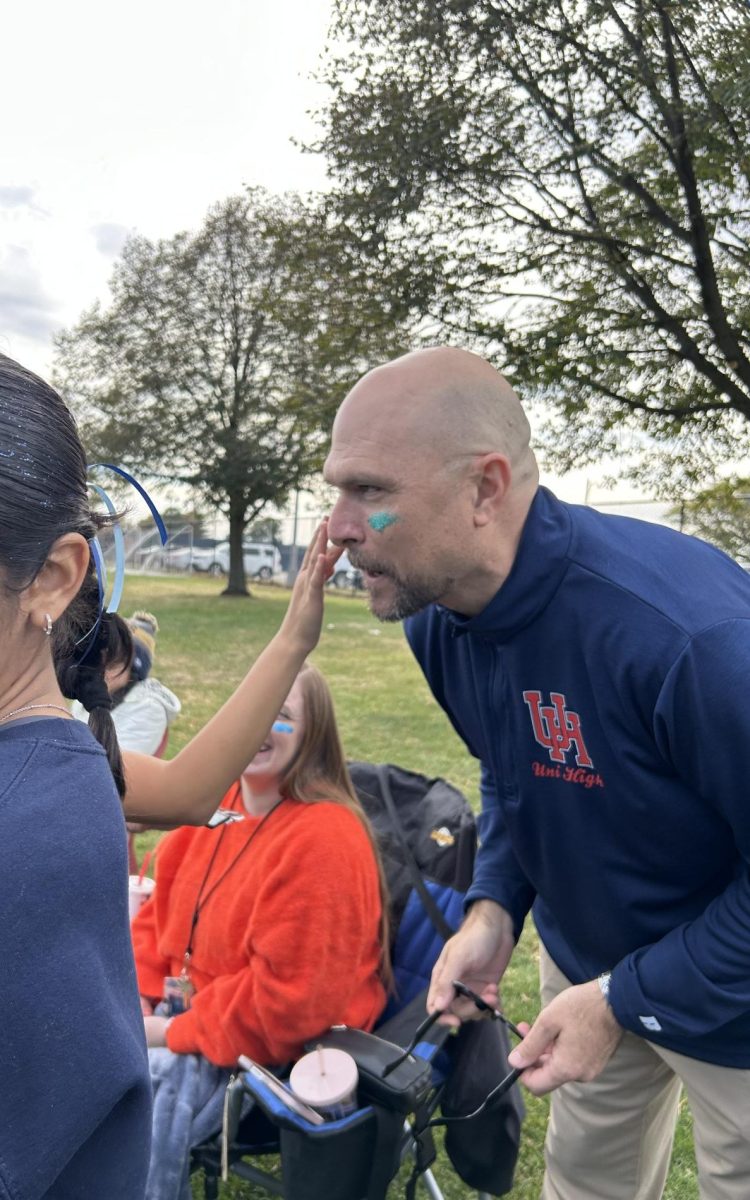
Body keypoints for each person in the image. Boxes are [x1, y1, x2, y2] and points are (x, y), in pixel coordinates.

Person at [323, 345, 750, 1200]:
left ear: (485, 488)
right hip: (584, 964)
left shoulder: (688, 639)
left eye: (369, 492)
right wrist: (492, 907)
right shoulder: (438, 617)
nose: (336, 525)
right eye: (337, 488)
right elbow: (512, 772)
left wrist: (623, 997)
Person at [0, 353, 335, 1199]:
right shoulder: (69, 765)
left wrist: (296, 643)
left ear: (52, 578)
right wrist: (292, 640)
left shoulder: (24, 823)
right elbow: (189, 792)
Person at [131, 661, 389, 1067]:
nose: (260, 725)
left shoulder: (326, 838)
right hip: (178, 1017)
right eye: (255, 708)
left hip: (270, 1055)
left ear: (311, 735)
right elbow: (156, 918)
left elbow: (289, 1006)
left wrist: (169, 1033)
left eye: (281, 716)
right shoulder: (213, 804)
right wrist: (138, 996)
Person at [72, 610, 181, 755]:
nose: (100, 670)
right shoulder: (88, 696)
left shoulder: (149, 709)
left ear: (134, 672)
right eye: (97, 658)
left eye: (113, 664)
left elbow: (114, 768)